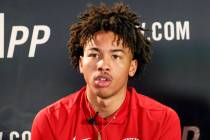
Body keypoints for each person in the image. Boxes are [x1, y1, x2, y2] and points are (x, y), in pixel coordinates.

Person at [31, 2, 181, 140]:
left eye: (116, 56)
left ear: (132, 67)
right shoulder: (50, 120)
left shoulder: (162, 120)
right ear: (81, 63)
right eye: (94, 55)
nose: (103, 64)